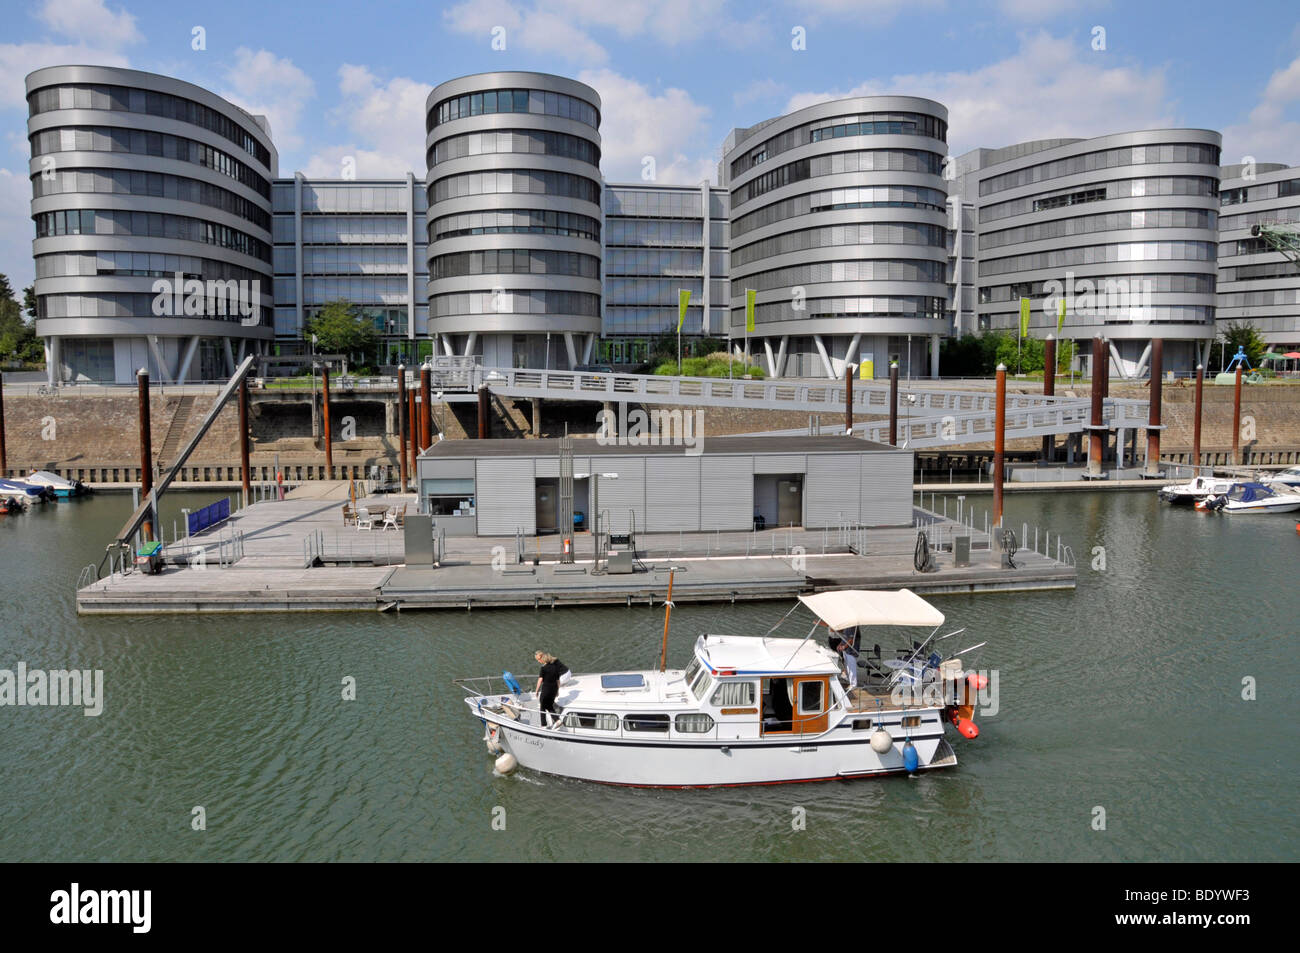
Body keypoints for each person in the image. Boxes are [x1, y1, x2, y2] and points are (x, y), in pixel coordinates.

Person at [534, 651, 567, 727]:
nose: (538, 661)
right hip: (554, 689)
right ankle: (557, 720)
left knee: (542, 706)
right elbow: (558, 681)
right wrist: (557, 691)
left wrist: (536, 691)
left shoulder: (543, 668)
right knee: (549, 705)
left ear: (542, 658)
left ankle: (543, 725)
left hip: (546, 689)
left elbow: (540, 680)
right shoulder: (555, 667)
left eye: (538, 660)